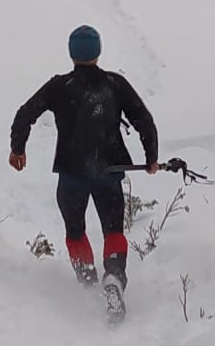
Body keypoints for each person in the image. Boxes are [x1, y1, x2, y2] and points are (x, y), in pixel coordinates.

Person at [9, 25, 159, 318]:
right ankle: (113, 276)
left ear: (71, 52)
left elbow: (24, 114)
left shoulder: (59, 86)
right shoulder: (115, 84)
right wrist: (151, 157)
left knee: (75, 231)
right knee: (113, 230)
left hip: (71, 174)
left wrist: (18, 149)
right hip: (110, 171)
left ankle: (88, 283)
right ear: (98, 51)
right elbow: (143, 119)